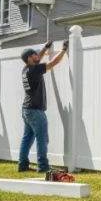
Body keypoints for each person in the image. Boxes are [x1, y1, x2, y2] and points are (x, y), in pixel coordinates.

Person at [19, 40, 68, 173]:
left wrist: (44, 49)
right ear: (30, 58)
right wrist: (63, 49)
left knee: (27, 138)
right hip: (35, 110)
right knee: (42, 138)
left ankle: (22, 165)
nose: (38, 56)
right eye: (35, 54)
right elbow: (53, 63)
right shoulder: (34, 70)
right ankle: (43, 166)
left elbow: (38, 59)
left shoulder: (26, 69)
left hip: (27, 109)